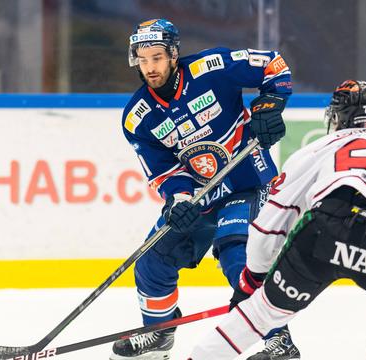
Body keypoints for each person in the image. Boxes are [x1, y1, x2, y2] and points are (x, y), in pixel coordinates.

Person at [189, 80, 366, 360]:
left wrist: (252, 282)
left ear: (337, 114)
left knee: (260, 314)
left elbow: (271, 221)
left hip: (327, 230)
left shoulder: (319, 148)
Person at [112, 18, 300, 360]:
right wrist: (179, 199)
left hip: (247, 183)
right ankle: (159, 333)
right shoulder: (137, 118)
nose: (150, 67)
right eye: (143, 59)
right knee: (152, 261)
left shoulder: (211, 68)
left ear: (172, 55)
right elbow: (164, 173)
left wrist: (269, 105)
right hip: (200, 197)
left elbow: (273, 64)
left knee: (238, 256)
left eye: (156, 57)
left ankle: (278, 338)